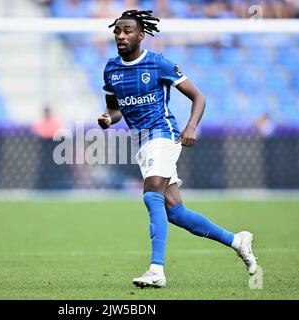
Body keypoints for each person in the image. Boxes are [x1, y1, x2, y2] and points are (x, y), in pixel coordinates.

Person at [97, 9, 258, 289]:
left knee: (151, 194)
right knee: (175, 212)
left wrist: (191, 127)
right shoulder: (111, 70)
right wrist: (107, 119)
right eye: (117, 32)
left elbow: (198, 97)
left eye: (127, 31)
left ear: (141, 35)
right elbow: (115, 110)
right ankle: (237, 240)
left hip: (164, 133)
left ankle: (156, 270)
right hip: (143, 141)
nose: (121, 36)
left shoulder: (159, 64)